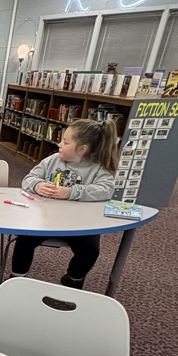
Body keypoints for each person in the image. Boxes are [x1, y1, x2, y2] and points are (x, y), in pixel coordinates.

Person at [11, 118, 118, 288]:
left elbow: (106, 189)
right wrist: (38, 185)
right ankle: (17, 277)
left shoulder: (98, 168)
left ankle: (73, 279)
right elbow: (28, 178)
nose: (59, 144)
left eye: (65, 142)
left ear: (82, 149)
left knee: (90, 251)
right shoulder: (53, 160)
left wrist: (71, 192)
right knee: (24, 240)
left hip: (79, 225)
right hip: (46, 221)